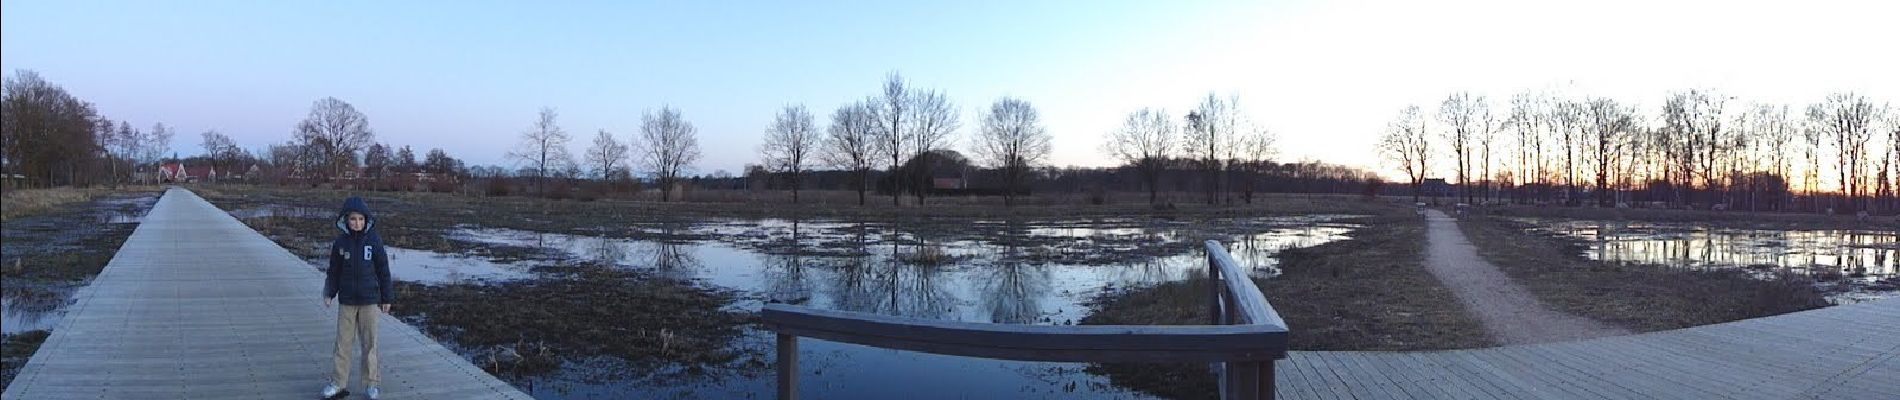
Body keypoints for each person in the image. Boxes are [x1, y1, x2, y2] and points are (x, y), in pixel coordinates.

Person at [320, 196, 393, 400]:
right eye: (353, 219)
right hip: (347, 302)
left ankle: (372, 384)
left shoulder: (374, 241)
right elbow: (334, 271)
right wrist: (329, 293)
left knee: (370, 344)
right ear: (346, 220)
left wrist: (386, 297)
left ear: (366, 220)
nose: (357, 223)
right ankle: (337, 383)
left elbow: (383, 271)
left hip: (370, 301)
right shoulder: (340, 243)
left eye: (361, 219)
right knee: (343, 343)